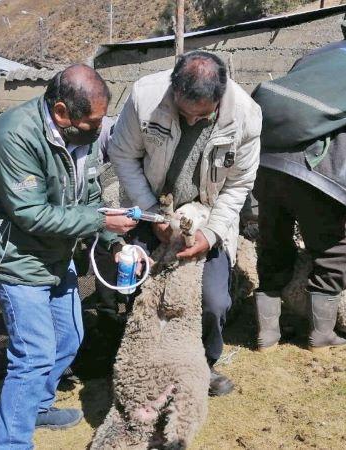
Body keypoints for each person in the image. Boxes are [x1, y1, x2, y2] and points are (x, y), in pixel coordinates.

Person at [0, 64, 137, 449]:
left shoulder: (83, 134)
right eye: (94, 120)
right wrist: (98, 219)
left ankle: (37, 406)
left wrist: (113, 240)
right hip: (14, 258)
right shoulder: (14, 136)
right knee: (34, 354)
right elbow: (30, 214)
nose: (101, 127)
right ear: (62, 112)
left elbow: (90, 198)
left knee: (69, 336)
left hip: (55, 254)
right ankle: (11, 443)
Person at [107, 51, 262, 396]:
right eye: (184, 113)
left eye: (202, 116)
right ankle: (143, 362)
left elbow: (238, 184)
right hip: (151, 207)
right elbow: (123, 154)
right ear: (174, 89)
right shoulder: (145, 97)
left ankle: (202, 365)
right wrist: (151, 211)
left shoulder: (247, 117)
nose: (192, 121)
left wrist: (210, 234)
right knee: (141, 290)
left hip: (208, 216)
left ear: (219, 99)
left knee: (214, 301)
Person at [250, 22, 346, 351]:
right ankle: (321, 335)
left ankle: (267, 335)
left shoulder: (319, 56)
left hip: (266, 164)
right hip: (314, 175)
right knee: (332, 252)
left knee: (273, 246)